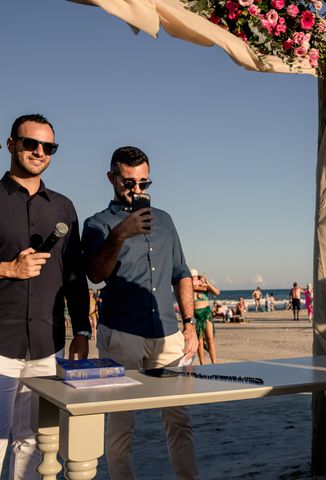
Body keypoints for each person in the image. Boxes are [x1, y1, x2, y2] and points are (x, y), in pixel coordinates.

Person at [82, 146, 199, 479]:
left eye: (144, 183)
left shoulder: (165, 220)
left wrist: (190, 325)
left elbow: (181, 272)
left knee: (179, 420)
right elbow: (95, 274)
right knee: (122, 424)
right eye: (129, 182)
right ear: (111, 178)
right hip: (121, 334)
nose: (136, 190)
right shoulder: (97, 224)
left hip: (167, 333)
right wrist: (121, 233)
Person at [0, 114, 90, 479]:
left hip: (46, 344)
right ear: (10, 145)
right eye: (30, 143)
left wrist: (82, 331)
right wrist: (9, 269)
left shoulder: (63, 207)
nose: (39, 152)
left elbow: (74, 275)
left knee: (33, 441)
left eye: (48, 147)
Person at [191, 269, 220, 365]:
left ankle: (214, 363)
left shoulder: (204, 286)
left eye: (195, 276)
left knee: (210, 339)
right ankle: (202, 364)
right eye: (192, 277)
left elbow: (217, 293)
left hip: (206, 312)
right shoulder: (188, 287)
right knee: (199, 340)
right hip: (195, 314)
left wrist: (208, 284)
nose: (194, 279)